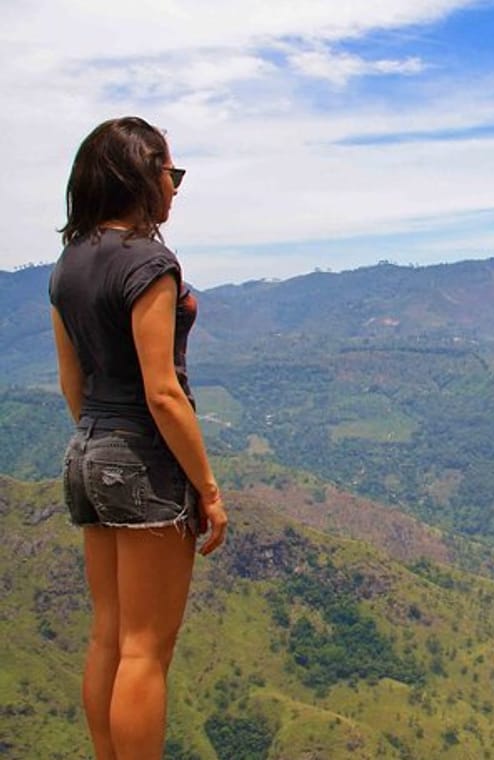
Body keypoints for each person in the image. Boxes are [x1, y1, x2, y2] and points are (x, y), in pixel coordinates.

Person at [49, 116, 228, 760]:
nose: (175, 188)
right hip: (144, 460)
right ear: (139, 176)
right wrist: (207, 489)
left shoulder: (68, 266)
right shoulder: (151, 262)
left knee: (109, 635)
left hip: (88, 452)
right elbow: (162, 391)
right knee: (147, 648)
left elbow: (73, 380)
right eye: (169, 174)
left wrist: (99, 447)